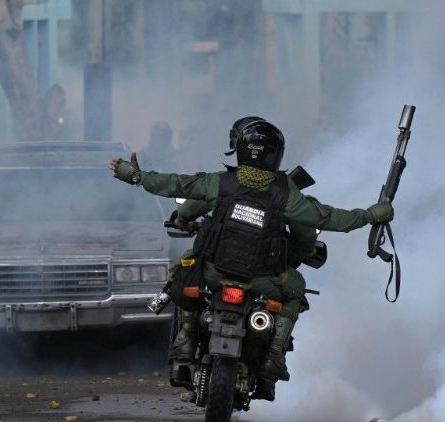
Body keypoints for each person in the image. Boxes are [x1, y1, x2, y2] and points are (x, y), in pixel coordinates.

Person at [108, 117, 393, 399]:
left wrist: (136, 176)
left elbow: (176, 185)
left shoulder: (221, 182)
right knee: (295, 289)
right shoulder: (285, 193)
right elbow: (327, 218)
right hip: (262, 281)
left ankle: (184, 344)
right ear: (276, 156)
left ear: (241, 150)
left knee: (186, 271)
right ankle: (274, 357)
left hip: (214, 272)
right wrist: (369, 215)